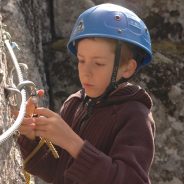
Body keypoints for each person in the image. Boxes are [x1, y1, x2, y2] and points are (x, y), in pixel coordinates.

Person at [18, 3, 155, 184]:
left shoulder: (135, 116)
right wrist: (31, 136)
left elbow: (132, 179)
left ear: (127, 68)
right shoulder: (75, 103)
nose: (86, 72)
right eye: (81, 61)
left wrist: (72, 143)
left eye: (98, 63)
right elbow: (55, 172)